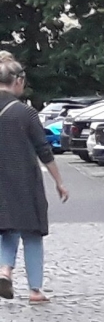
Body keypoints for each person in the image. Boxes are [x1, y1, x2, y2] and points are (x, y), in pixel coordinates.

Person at [0, 59, 70, 302]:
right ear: (18, 81)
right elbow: (44, 150)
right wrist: (59, 181)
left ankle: (4, 270)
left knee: (6, 228)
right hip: (25, 179)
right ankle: (35, 290)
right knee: (32, 233)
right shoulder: (26, 112)